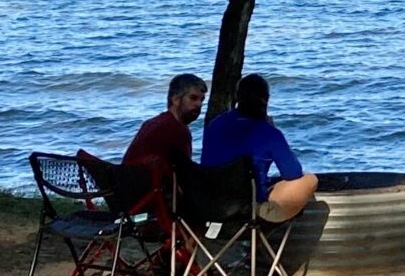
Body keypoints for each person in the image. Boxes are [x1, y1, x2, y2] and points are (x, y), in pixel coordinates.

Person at [198, 74, 317, 222]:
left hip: (209, 205)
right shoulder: (269, 133)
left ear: (237, 97)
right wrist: (272, 130)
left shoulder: (215, 124)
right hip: (248, 211)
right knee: (310, 179)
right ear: (266, 100)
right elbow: (293, 173)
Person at [122, 73, 205, 183]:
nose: (199, 104)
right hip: (149, 194)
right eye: (193, 98)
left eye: (201, 100)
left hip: (127, 189)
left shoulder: (152, 123)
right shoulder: (176, 129)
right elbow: (186, 176)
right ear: (175, 99)